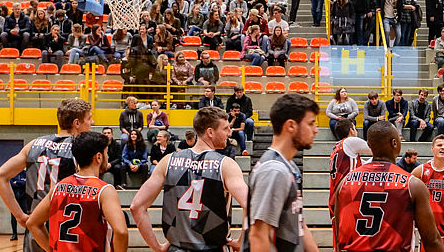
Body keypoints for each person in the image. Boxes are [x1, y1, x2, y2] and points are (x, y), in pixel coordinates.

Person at [131, 107, 249, 251]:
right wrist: (241, 242)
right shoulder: (226, 164)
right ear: (210, 132)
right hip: (213, 247)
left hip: (177, 248)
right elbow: (250, 206)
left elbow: (136, 206)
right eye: (225, 128)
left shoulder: (168, 161)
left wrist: (156, 247)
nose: (229, 132)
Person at [0, 99, 93, 252]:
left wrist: (19, 216)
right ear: (77, 123)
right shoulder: (80, 149)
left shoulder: (34, 144)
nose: (92, 122)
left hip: (35, 230)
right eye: (89, 118)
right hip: (67, 230)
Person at [333, 121, 444, 252]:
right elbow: (432, 240)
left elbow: (338, 234)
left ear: (369, 145)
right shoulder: (412, 185)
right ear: (394, 143)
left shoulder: (344, 182)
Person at [240, 94, 319, 251]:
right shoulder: (274, 170)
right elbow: (258, 235)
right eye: (310, 124)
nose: (315, 130)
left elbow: (299, 224)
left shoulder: (289, 166)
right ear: (291, 126)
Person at [24, 132, 128, 252]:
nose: (108, 157)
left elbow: (32, 223)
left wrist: (52, 249)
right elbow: (121, 231)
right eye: (106, 153)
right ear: (98, 157)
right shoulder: (104, 190)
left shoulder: (58, 187)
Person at [327, 119, 372, 218]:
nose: (356, 131)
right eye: (355, 129)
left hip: (336, 195)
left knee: (341, 231)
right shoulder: (350, 141)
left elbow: (365, 164)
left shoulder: (337, 148)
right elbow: (375, 148)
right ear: (351, 130)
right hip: (348, 192)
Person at [8, 170, 27, 241]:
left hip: (23, 198)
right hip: (14, 198)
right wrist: (20, 184)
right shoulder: (12, 173)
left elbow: (26, 183)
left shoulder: (25, 173)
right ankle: (14, 234)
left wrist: (18, 182)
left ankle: (27, 233)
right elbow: (11, 184)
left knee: (26, 216)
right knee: (14, 217)